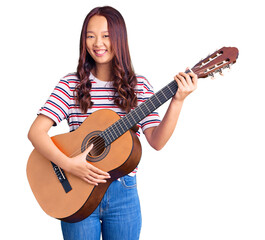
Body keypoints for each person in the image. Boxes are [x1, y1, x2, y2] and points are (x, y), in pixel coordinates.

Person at [28, 6, 197, 240]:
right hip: (76, 190)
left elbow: (156, 142)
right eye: (90, 35)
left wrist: (177, 101)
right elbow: (36, 133)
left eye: (106, 35)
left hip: (123, 194)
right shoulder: (70, 84)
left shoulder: (139, 86)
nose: (98, 43)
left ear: (119, 38)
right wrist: (68, 164)